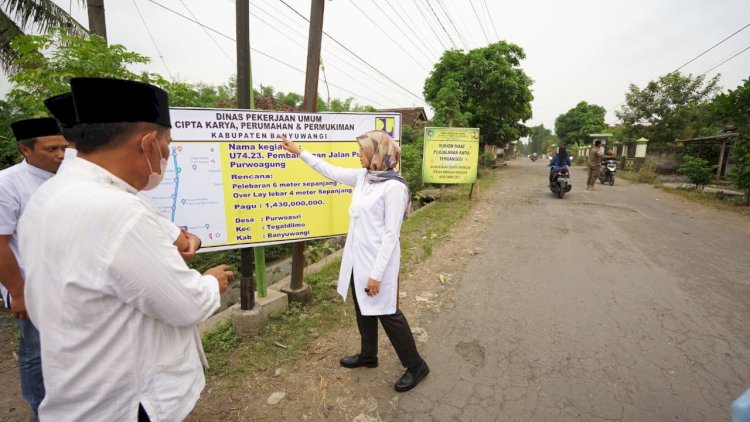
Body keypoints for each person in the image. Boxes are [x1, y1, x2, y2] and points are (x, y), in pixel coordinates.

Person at [19, 77, 233, 421]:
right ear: (148, 143)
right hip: (129, 401)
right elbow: (186, 304)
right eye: (166, 146)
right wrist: (210, 281)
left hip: (82, 389)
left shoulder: (51, 195)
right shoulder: (116, 211)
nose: (166, 156)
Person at [279, 130, 430, 392]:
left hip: (378, 264)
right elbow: (331, 171)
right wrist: (299, 151)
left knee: (388, 314)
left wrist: (377, 275)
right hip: (356, 260)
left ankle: (416, 365)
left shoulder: (394, 188)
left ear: (377, 155)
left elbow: (390, 236)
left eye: (362, 151)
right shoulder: (365, 177)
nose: (358, 155)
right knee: (363, 308)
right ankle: (368, 355)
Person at [44, 92, 201, 259]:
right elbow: (181, 245)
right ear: (146, 143)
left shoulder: (57, 186)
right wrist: (197, 245)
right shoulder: (113, 196)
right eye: (167, 142)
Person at [0, 118, 68, 418]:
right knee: (36, 352)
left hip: (69, 283)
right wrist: (18, 292)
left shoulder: (69, 177)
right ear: (25, 149)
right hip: (32, 287)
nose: (60, 155)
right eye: (51, 149)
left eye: (63, 147)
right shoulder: (8, 183)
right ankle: (41, 411)